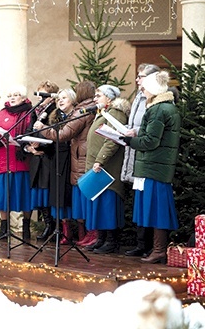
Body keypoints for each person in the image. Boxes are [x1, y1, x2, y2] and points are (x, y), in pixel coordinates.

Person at [123, 70, 180, 264]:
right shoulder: (166, 107)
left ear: (153, 89)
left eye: (144, 86)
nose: (141, 88)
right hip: (157, 166)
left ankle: (159, 250)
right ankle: (157, 249)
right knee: (158, 209)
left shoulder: (158, 109)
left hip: (154, 167)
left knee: (157, 210)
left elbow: (150, 141)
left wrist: (130, 141)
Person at [35, 81, 96, 245]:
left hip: (71, 159)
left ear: (73, 99)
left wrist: (42, 129)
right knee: (58, 197)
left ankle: (81, 233)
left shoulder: (78, 114)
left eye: (64, 98)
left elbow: (63, 135)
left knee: (70, 198)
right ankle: (64, 231)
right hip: (57, 160)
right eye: (58, 98)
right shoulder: (55, 116)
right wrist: (38, 146)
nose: (60, 101)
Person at [84, 85, 130, 254]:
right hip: (97, 167)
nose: (95, 99)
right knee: (99, 203)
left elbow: (112, 140)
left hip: (108, 167)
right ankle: (101, 238)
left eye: (98, 95)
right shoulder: (103, 113)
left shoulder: (116, 113)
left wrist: (100, 160)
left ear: (109, 99)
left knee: (108, 203)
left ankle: (112, 241)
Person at [121, 64, 160, 257]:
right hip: (135, 154)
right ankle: (140, 243)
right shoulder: (138, 96)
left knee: (148, 202)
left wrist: (135, 133)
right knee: (139, 200)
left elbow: (150, 131)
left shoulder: (154, 101)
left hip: (145, 156)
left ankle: (149, 245)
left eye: (141, 76)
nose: (137, 80)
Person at [0, 85, 33, 241]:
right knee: (3, 197)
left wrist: (20, 141)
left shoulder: (29, 113)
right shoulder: (2, 113)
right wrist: (0, 140)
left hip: (22, 161)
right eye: (10, 95)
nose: (12, 98)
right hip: (5, 160)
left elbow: (31, 131)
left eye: (16, 95)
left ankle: (26, 227)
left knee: (25, 196)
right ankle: (4, 229)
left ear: (23, 97)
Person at [26, 80, 59, 241]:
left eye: (44, 94)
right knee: (39, 194)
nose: (41, 98)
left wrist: (41, 146)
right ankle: (47, 223)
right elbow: (27, 131)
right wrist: (29, 147)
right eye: (39, 94)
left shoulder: (54, 111)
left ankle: (52, 226)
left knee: (47, 193)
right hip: (35, 157)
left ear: (51, 97)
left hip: (48, 157)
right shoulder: (35, 111)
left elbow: (56, 135)